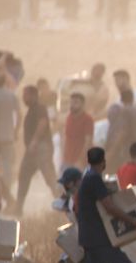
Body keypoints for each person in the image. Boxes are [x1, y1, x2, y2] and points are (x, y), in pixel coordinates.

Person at [74, 147, 136, 263]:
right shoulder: (94, 179)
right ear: (104, 162)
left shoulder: (87, 177)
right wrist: (135, 222)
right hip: (98, 239)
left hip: (88, 238)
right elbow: (109, 207)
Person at [15, 85, 56, 213]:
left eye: (25, 95)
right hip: (33, 150)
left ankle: (65, 206)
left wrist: (34, 141)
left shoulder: (39, 108)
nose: (23, 98)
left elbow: (43, 123)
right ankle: (18, 208)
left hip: (40, 148)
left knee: (50, 178)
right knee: (24, 176)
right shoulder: (32, 110)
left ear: (33, 95)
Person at [61, 92, 94, 170]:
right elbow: (66, 138)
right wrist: (63, 157)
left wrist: (80, 161)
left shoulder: (88, 119)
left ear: (83, 105)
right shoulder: (69, 118)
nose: (72, 105)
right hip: (67, 160)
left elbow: (88, 142)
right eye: (71, 102)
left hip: (81, 162)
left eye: (76, 102)